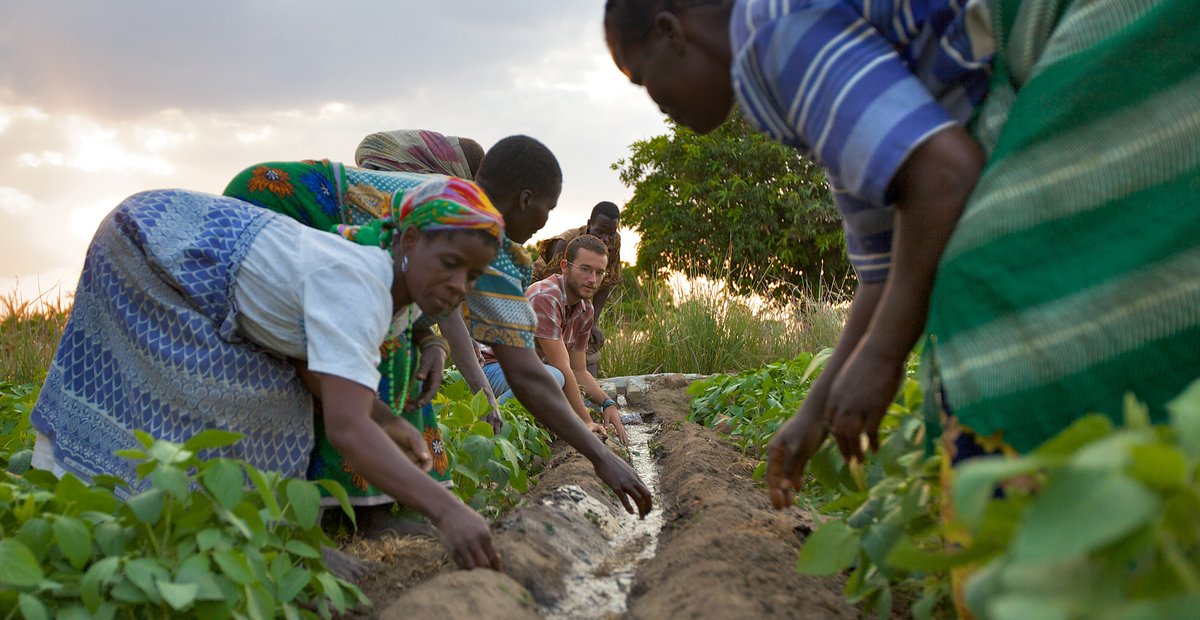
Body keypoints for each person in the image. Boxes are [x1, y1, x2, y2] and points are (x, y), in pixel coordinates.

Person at [605, 0, 1199, 499]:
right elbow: (887, 264)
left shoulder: (769, 35)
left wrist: (884, 356)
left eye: (639, 75)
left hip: (1109, 24)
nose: (649, 97)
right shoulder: (795, 53)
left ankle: (1065, 530)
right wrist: (814, 411)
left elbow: (946, 179)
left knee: (986, 292)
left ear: (669, 28)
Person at [29, 176, 509, 572]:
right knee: (233, 395)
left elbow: (311, 363)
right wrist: (449, 512)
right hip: (152, 245)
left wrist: (386, 420)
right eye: (449, 264)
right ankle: (224, 543)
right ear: (408, 241)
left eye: (471, 276)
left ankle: (259, 541)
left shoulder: (395, 289)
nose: (457, 285)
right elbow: (346, 427)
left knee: (280, 395)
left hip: (182, 243)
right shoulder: (361, 283)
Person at [226, 136, 653, 521]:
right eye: (549, 207)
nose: (547, 221)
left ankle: (359, 510)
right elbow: (526, 375)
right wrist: (601, 458)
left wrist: (428, 338)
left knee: (391, 364)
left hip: (266, 190)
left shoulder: (462, 213)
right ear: (526, 200)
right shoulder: (475, 224)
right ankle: (355, 514)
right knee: (368, 369)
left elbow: (409, 288)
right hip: (278, 208)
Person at [484, 234, 630, 444]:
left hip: (529, 374)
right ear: (564, 266)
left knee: (570, 392)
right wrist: (586, 423)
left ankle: (531, 423)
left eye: (599, 273)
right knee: (555, 377)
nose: (593, 279)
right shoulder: (546, 297)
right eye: (585, 269)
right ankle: (493, 417)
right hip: (494, 369)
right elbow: (562, 368)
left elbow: (579, 370)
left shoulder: (585, 308)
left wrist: (608, 403)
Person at [532, 201, 623, 377]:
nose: (605, 239)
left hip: (575, 299)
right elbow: (554, 289)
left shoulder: (614, 243)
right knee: (558, 353)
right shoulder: (566, 243)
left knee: (589, 341)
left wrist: (591, 324)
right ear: (589, 225)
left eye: (610, 234)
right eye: (599, 232)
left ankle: (587, 391)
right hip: (543, 291)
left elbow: (605, 284)